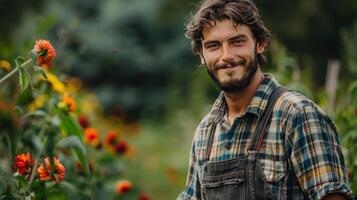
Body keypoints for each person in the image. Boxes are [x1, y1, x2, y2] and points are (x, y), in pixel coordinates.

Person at [177, 0, 354, 199]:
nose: (226, 56)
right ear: (201, 54)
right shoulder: (205, 131)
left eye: (237, 42)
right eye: (213, 46)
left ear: (260, 44)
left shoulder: (297, 115)